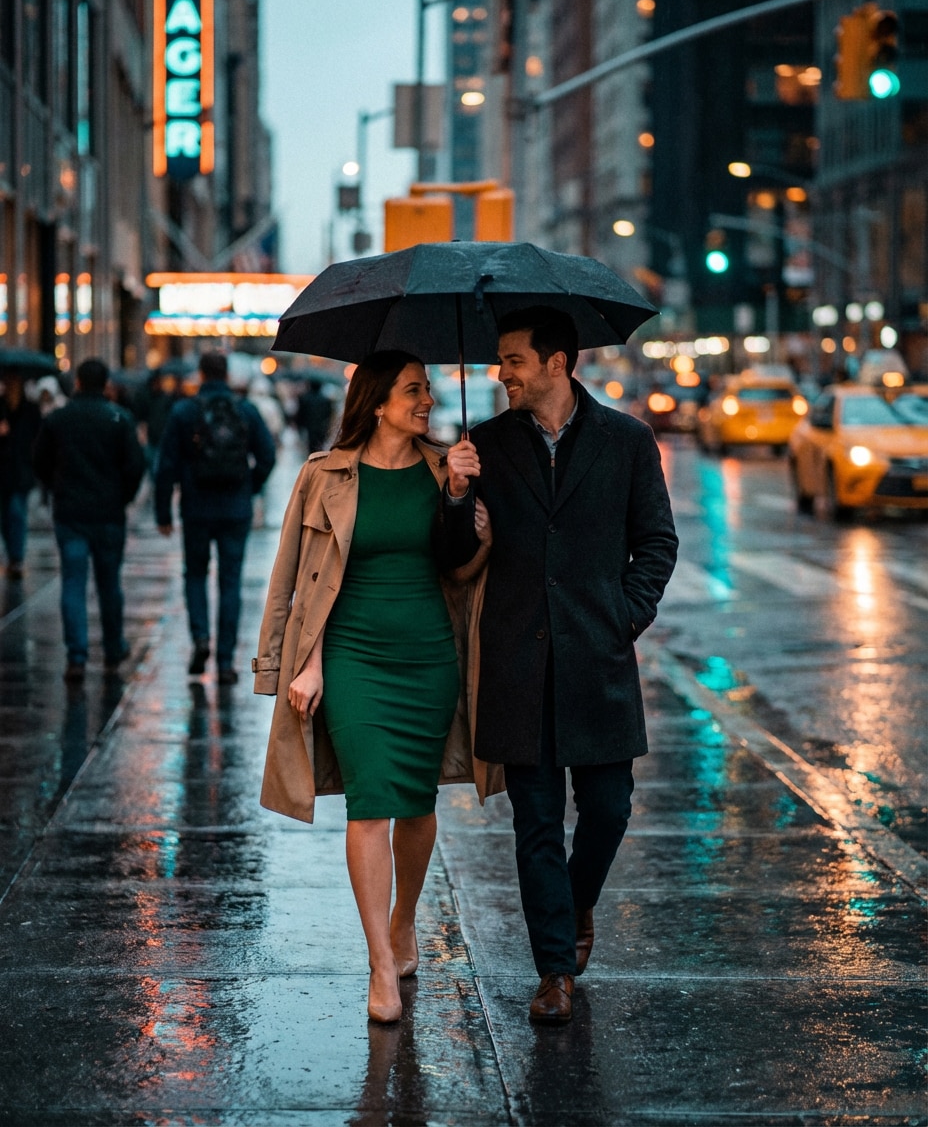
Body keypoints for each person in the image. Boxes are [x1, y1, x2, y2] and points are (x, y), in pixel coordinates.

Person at [444, 306, 678, 1024]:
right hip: (517, 663)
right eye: (499, 360)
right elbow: (454, 559)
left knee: (608, 810)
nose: (501, 373)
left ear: (556, 362)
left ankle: (575, 904)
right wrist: (455, 494)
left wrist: (623, 615)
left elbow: (656, 543)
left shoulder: (628, 441)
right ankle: (554, 971)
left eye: (513, 359)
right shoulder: (482, 443)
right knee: (536, 824)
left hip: (598, 657)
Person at [253, 350, 496, 1024]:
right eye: (413, 390)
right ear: (379, 402)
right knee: (370, 806)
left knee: (416, 807)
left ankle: (403, 921)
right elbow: (292, 578)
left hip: (427, 654)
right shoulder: (323, 475)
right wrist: (294, 664)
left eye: (427, 389)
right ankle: (380, 964)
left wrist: (466, 509)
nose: (426, 400)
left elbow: (465, 568)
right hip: (352, 657)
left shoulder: (446, 467)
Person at [155, 351, 276, 685]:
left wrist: (163, 511)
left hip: (196, 507)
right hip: (235, 509)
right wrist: (250, 487)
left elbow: (165, 466)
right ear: (227, 375)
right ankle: (225, 662)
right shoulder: (246, 410)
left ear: (201, 374)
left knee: (195, 574)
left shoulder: (184, 411)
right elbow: (267, 455)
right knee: (230, 582)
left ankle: (200, 638)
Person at [33, 358, 146, 682]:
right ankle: (113, 647)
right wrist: (122, 497)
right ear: (106, 384)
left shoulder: (58, 419)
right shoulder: (119, 418)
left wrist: (57, 488)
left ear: (78, 382)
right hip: (109, 514)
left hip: (71, 514)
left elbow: (39, 461)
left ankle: (77, 656)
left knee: (73, 581)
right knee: (109, 583)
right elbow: (135, 466)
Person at [0, 372, 43, 579]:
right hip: (4, 468)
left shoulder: (30, 409)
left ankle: (16, 557)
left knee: (16, 512)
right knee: (4, 515)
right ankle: (11, 553)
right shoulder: (1, 407)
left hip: (21, 469)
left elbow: (38, 437)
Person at [295, 378, 333, 452]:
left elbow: (300, 413)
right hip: (321, 427)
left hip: (308, 427)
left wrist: (299, 425)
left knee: (309, 447)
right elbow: (329, 414)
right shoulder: (325, 400)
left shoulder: (304, 398)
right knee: (319, 447)